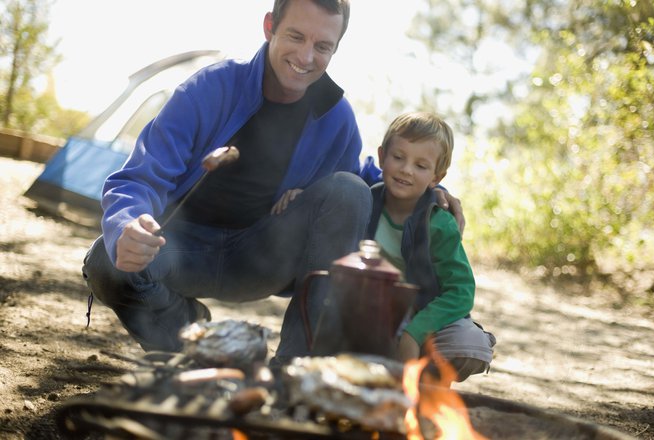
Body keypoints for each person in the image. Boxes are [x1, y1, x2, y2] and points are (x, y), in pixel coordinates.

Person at [82, 0, 464, 361]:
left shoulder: (335, 117)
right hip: (182, 250)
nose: (306, 57)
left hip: (260, 257)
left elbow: (366, 176)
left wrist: (434, 190)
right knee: (106, 261)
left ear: (335, 50)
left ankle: (296, 365)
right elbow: (138, 176)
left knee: (348, 190)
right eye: (296, 36)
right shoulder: (209, 89)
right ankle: (200, 347)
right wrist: (127, 224)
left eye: (323, 46)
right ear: (270, 27)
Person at [365, 112, 495, 382]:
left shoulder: (439, 223)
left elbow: (461, 291)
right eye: (398, 157)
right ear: (381, 156)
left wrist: (416, 332)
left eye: (421, 165)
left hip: (425, 318)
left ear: (437, 177)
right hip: (373, 316)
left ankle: (427, 385)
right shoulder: (363, 204)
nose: (406, 170)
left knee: (468, 345)